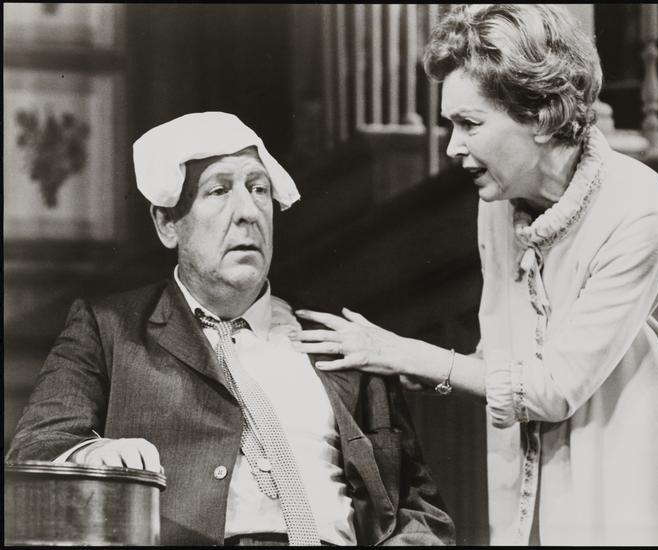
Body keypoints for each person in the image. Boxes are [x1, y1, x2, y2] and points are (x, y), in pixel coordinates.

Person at [289, 4, 658, 546]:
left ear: (541, 116)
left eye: (470, 123)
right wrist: (418, 368)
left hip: (622, 487)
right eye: (450, 123)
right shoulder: (497, 203)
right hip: (528, 489)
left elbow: (552, 389)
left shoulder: (640, 209)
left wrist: (408, 353)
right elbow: (501, 360)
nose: (452, 146)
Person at [6, 112, 454, 546]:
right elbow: (36, 446)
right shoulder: (109, 329)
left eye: (259, 189)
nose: (248, 212)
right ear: (167, 224)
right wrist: (93, 456)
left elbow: (416, 507)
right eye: (219, 190)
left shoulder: (340, 340)